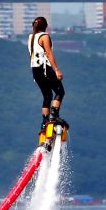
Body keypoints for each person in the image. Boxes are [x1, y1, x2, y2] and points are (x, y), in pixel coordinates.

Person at [28, 16, 68, 145]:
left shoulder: (31, 37)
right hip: (45, 68)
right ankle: (54, 115)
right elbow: (49, 53)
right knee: (60, 92)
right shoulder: (44, 36)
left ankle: (45, 121)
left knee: (47, 95)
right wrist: (57, 70)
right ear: (45, 26)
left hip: (35, 70)